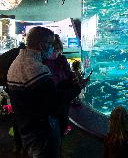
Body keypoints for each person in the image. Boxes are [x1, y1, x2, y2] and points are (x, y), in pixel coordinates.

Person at [7, 26, 82, 158]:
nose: (53, 48)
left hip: (26, 127)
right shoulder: (38, 69)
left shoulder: (16, 63)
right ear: (42, 45)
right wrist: (77, 88)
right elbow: (53, 106)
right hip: (42, 131)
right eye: (51, 44)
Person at [43, 34, 85, 136]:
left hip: (64, 94)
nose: (56, 54)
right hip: (53, 97)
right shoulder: (43, 62)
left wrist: (74, 78)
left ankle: (64, 128)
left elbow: (68, 73)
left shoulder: (62, 59)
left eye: (58, 51)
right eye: (54, 51)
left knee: (64, 113)